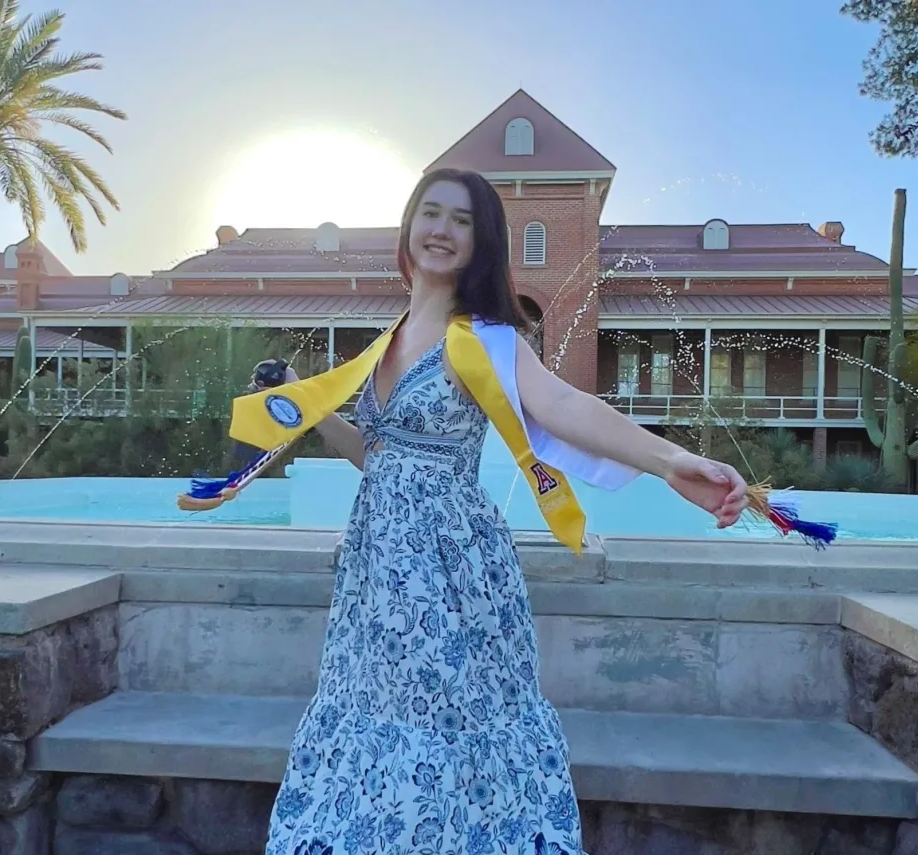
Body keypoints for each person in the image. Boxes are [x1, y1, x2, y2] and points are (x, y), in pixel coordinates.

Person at [262, 168, 749, 855]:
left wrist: (668, 461)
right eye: (429, 213)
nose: (440, 229)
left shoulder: (483, 338)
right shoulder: (387, 340)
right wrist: (303, 403)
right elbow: (381, 457)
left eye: (460, 220)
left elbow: (566, 405)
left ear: (481, 241)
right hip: (377, 579)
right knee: (380, 718)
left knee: (439, 724)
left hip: (446, 574)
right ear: (407, 227)